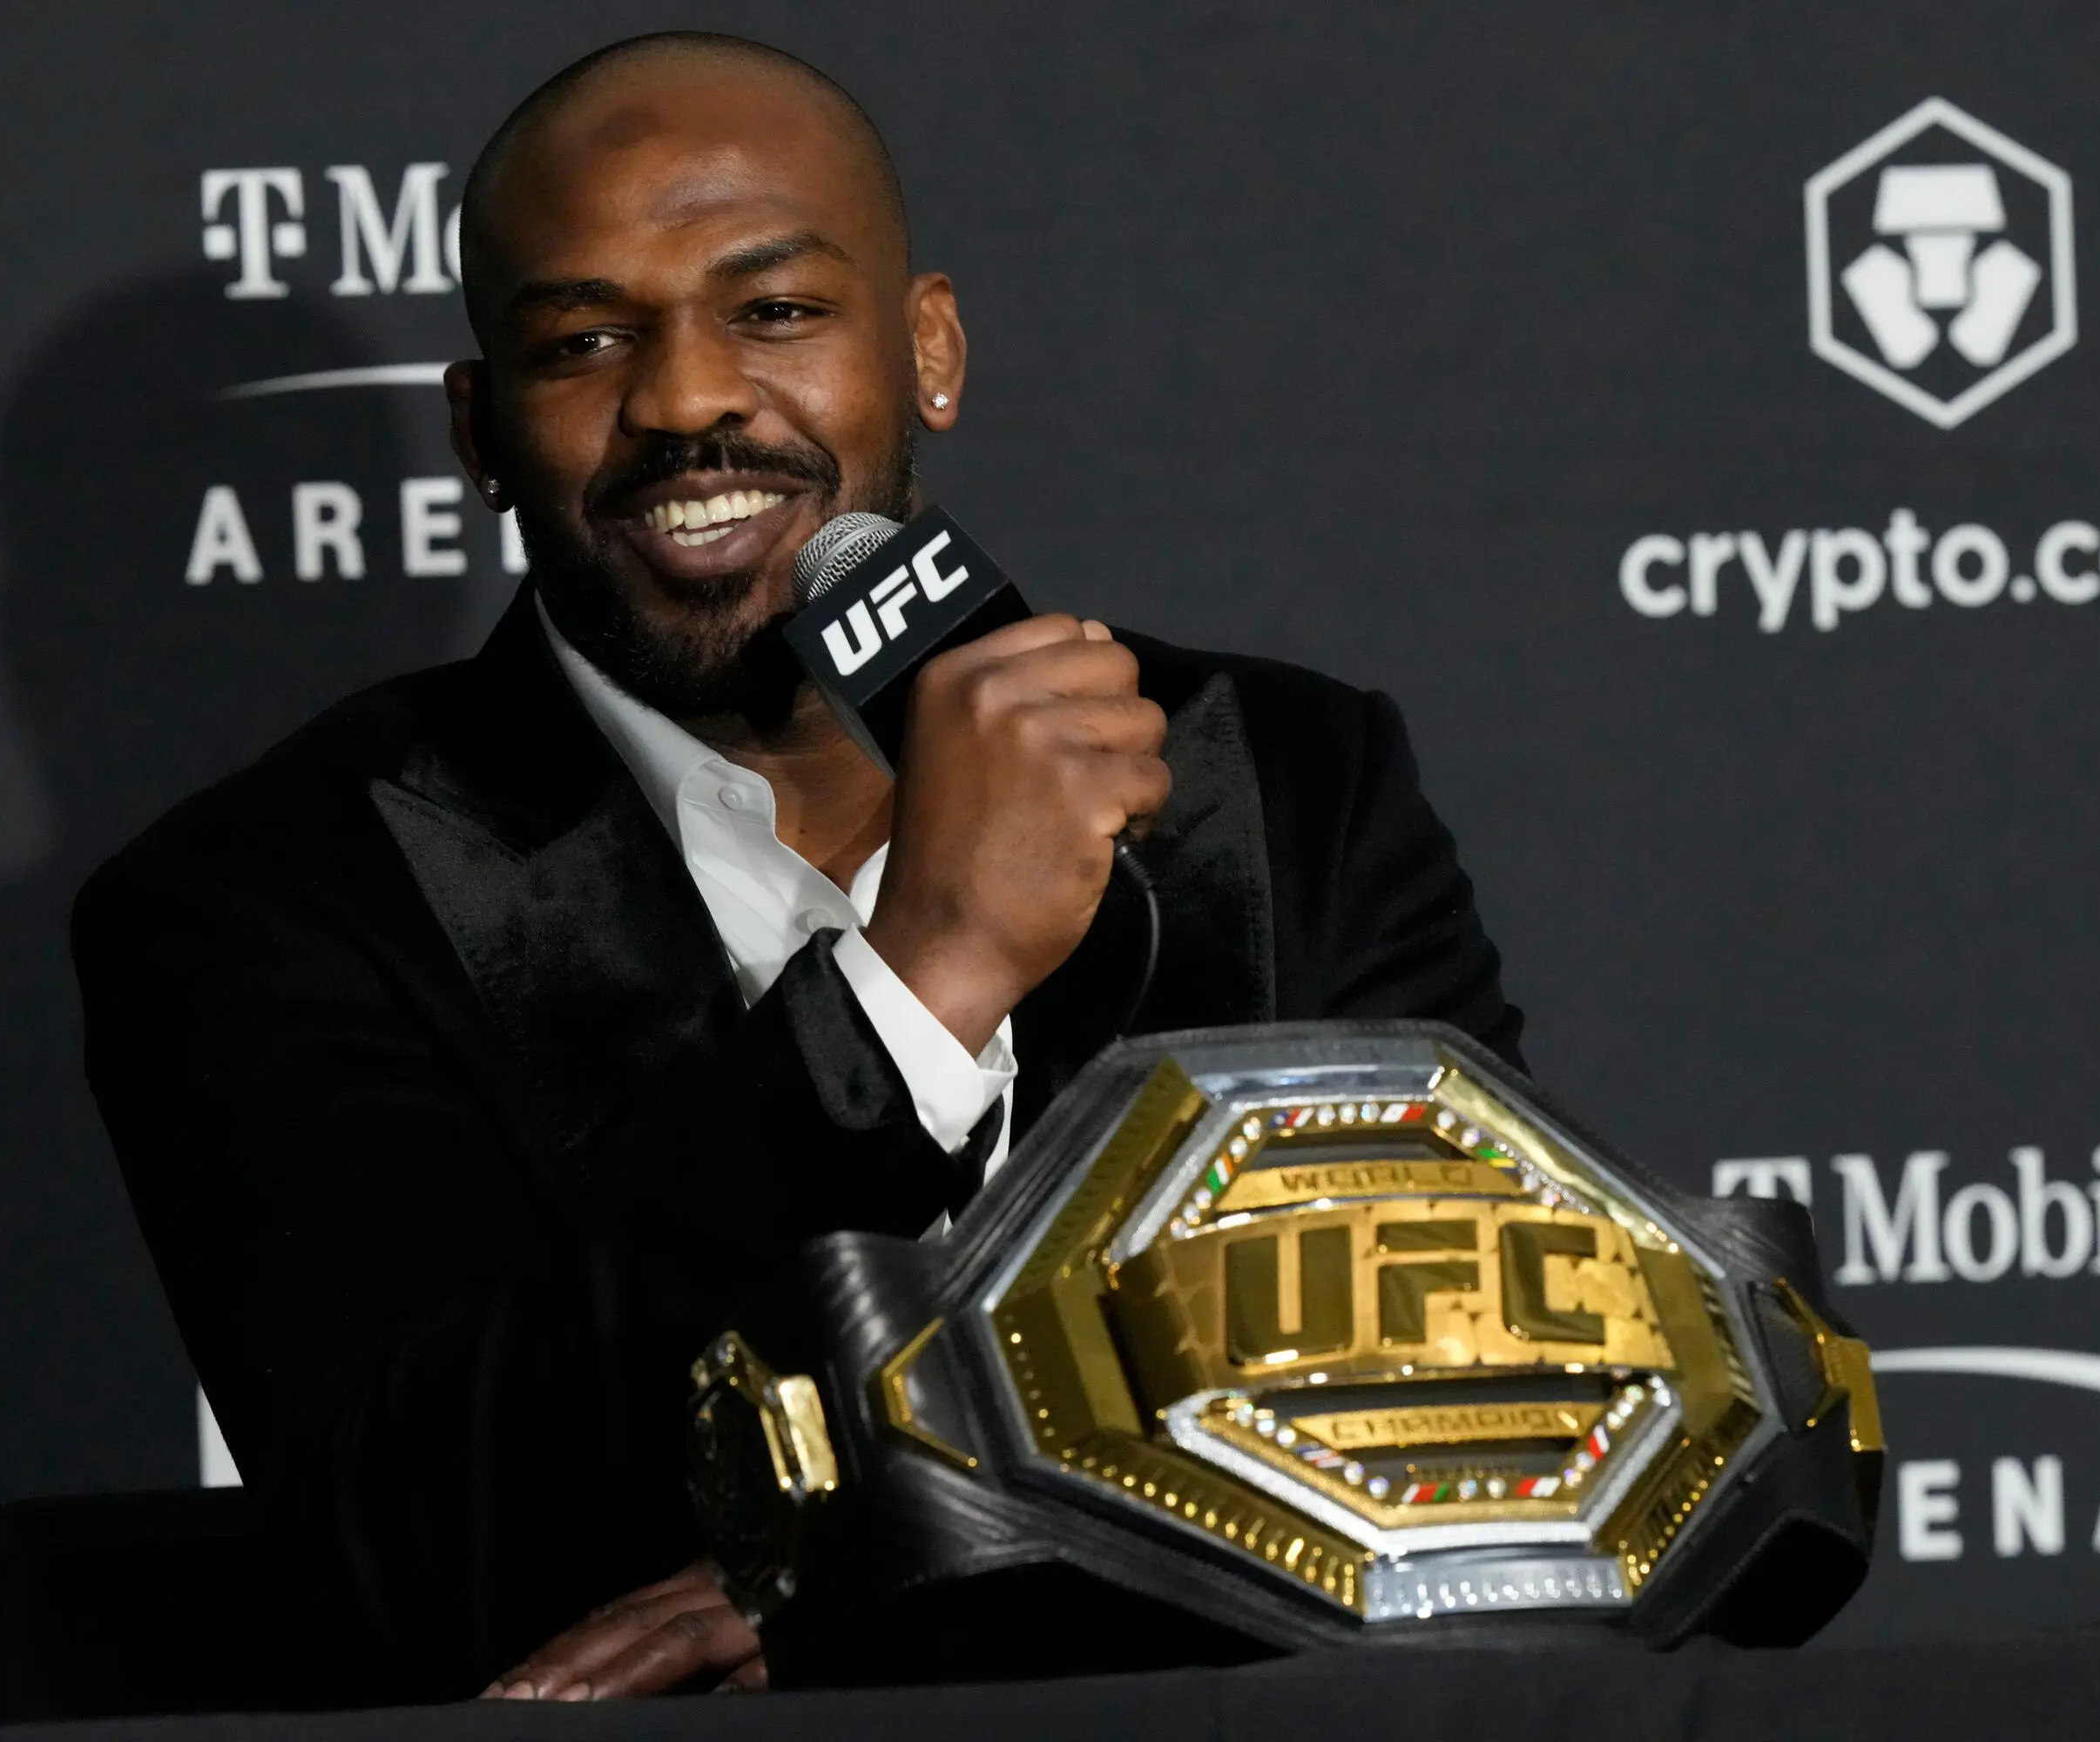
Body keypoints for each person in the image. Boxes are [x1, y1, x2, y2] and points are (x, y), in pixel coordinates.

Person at [73, 30, 1521, 1708]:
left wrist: (918, 1565)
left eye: (774, 313)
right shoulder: (265, 904)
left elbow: (1480, 1415)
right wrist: (919, 986)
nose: (686, 399)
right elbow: (422, 1542)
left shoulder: (1281, 786)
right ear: (479, 432)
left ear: (931, 354)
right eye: (584, 339)